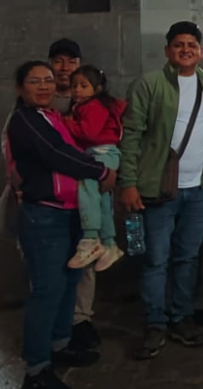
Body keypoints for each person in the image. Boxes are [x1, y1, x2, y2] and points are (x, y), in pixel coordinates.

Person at [5, 60, 116, 389]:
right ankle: (37, 369)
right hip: (44, 214)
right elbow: (55, 153)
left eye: (48, 80)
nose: (43, 86)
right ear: (20, 87)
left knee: (68, 283)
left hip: (69, 211)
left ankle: (59, 345)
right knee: (47, 289)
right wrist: (100, 171)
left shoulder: (53, 116)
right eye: (35, 81)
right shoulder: (25, 120)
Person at [119, 21, 203, 360]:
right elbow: (131, 135)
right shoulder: (149, 84)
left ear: (201, 52)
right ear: (167, 50)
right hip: (157, 189)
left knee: (188, 257)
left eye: (191, 45)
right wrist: (128, 183)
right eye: (178, 44)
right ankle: (155, 322)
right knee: (156, 260)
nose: (185, 50)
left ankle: (181, 316)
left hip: (196, 190)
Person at [47, 38, 101, 354]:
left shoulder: (90, 100)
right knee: (55, 261)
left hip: (85, 189)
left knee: (87, 255)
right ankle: (57, 324)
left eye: (71, 61)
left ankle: (81, 319)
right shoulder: (43, 99)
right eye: (58, 60)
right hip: (51, 194)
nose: (65, 67)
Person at [64, 65, 126, 272]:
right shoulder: (88, 105)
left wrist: (67, 123)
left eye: (83, 86)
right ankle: (109, 243)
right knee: (102, 198)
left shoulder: (93, 106)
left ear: (97, 88)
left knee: (86, 186)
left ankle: (90, 238)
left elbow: (89, 132)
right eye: (74, 86)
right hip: (104, 153)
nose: (77, 90)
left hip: (102, 154)